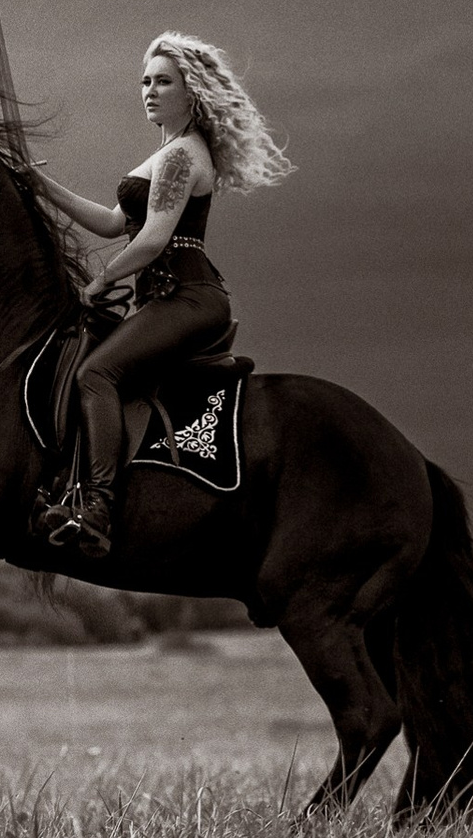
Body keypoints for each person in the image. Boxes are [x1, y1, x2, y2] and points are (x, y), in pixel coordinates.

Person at [30, 31, 296, 556]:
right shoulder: (165, 154)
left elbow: (152, 240)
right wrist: (42, 187)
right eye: (145, 81)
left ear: (192, 92)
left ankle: (98, 506)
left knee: (96, 373)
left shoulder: (182, 157)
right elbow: (114, 223)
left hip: (189, 298)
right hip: (165, 298)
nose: (149, 91)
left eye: (163, 82)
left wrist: (101, 280)